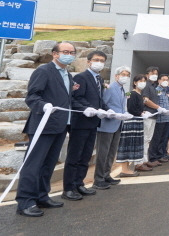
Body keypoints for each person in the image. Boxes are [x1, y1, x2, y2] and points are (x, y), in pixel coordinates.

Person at [16, 42, 77, 217]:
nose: (69, 55)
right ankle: (25, 201)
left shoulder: (68, 74)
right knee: (33, 165)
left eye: (72, 52)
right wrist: (44, 106)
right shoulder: (43, 71)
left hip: (60, 126)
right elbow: (32, 97)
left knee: (48, 165)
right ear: (55, 54)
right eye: (65, 51)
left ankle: (42, 196)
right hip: (43, 126)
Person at [63, 50, 109, 201]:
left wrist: (108, 111)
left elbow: (99, 100)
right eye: (96, 59)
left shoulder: (99, 80)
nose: (99, 63)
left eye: (102, 60)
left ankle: (79, 183)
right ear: (89, 61)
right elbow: (75, 99)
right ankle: (69, 188)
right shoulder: (81, 77)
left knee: (86, 155)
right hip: (80, 123)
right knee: (74, 156)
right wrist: (87, 109)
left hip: (93, 123)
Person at [93, 66, 130, 190]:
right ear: (116, 76)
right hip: (107, 124)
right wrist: (112, 113)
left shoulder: (122, 89)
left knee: (111, 152)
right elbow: (104, 104)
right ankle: (98, 179)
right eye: (123, 74)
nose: (125, 77)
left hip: (118, 124)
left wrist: (123, 114)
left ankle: (106, 174)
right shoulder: (109, 88)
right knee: (102, 153)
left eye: (127, 75)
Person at [116, 74, 147, 177]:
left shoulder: (140, 95)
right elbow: (130, 108)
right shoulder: (131, 93)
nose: (143, 83)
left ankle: (128, 168)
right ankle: (124, 169)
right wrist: (141, 113)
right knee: (127, 145)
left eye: (144, 81)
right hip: (131, 122)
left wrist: (143, 112)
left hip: (137, 122)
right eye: (140, 80)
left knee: (134, 145)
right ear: (134, 82)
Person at [147, 74, 169, 164]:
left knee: (162, 138)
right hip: (159, 118)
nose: (165, 81)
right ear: (159, 81)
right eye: (163, 79)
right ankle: (153, 157)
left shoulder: (165, 91)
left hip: (166, 118)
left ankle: (160, 155)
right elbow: (156, 102)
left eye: (167, 80)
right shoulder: (157, 90)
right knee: (156, 138)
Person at [141, 66, 161, 165]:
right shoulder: (146, 85)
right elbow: (145, 100)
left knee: (148, 139)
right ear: (147, 75)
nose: (154, 76)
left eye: (156, 74)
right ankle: (143, 161)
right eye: (152, 73)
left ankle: (146, 159)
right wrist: (158, 107)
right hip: (147, 115)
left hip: (153, 115)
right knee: (145, 139)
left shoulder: (154, 86)